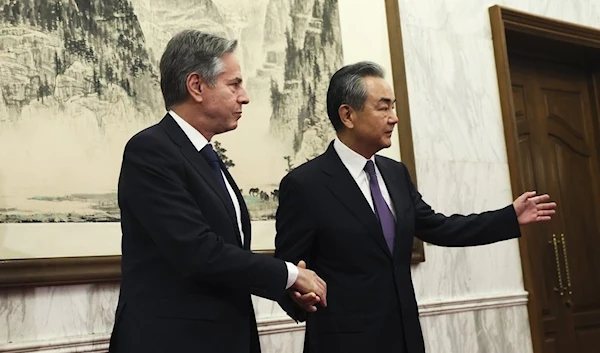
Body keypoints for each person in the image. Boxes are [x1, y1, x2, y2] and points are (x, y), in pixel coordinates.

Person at [273, 61, 556, 353]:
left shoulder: (395, 174)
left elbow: (440, 227)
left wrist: (508, 217)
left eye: (393, 107)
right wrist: (299, 298)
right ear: (348, 115)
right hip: (343, 342)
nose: (394, 118)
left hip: (405, 338)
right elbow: (287, 271)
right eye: (383, 108)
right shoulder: (305, 184)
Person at [108, 30, 326, 353]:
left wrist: (288, 291)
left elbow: (227, 261)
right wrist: (290, 275)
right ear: (196, 86)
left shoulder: (207, 157)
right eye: (234, 84)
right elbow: (198, 252)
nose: (245, 96)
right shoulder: (150, 151)